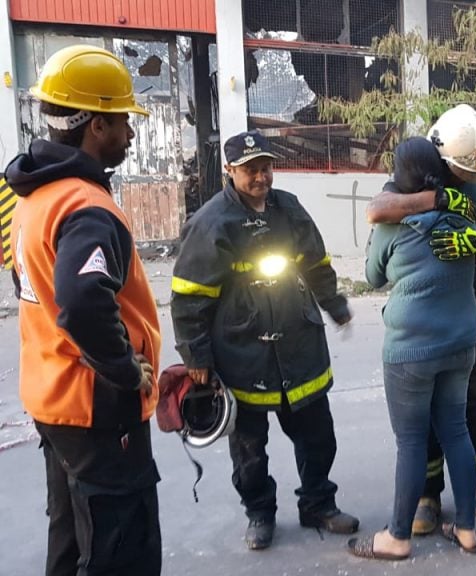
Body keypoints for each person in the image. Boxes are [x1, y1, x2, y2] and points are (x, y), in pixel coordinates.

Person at [5, 45, 162, 575]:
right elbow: (80, 303)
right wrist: (123, 368)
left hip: (53, 399)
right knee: (121, 545)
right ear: (96, 124)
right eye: (122, 122)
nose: (131, 134)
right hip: (96, 407)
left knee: (71, 533)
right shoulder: (86, 206)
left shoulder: (34, 199)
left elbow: (27, 281)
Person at [170, 130, 358, 550]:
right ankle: (259, 512)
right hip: (242, 354)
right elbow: (188, 298)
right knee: (249, 450)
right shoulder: (212, 223)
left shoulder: (289, 209)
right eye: (250, 169)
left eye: (266, 168)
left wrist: (334, 304)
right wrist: (195, 355)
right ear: (230, 171)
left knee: (317, 435)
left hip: (298, 347)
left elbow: (316, 264)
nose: (261, 177)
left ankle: (318, 504)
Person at [365, 104, 476, 535]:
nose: (470, 180)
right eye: (461, 173)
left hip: (468, 296)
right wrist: (443, 199)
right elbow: (378, 209)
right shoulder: (417, 171)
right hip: (427, 304)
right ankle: (428, 495)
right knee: (426, 409)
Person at [349, 137, 476, 561]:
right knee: (457, 430)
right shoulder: (464, 211)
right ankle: (466, 531)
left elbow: (372, 277)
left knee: (410, 441)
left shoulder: (392, 223)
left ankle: (398, 537)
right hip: (461, 342)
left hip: (411, 349)